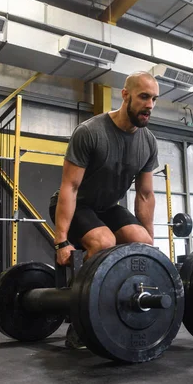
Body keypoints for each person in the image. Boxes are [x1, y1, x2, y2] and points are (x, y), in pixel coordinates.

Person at [50, 71, 160, 267]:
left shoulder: (149, 142)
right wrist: (61, 242)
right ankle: (78, 286)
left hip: (107, 208)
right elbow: (70, 187)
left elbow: (145, 194)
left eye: (154, 99)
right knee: (104, 243)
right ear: (125, 95)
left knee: (142, 243)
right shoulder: (90, 132)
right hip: (78, 206)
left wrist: (149, 246)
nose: (150, 105)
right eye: (144, 96)